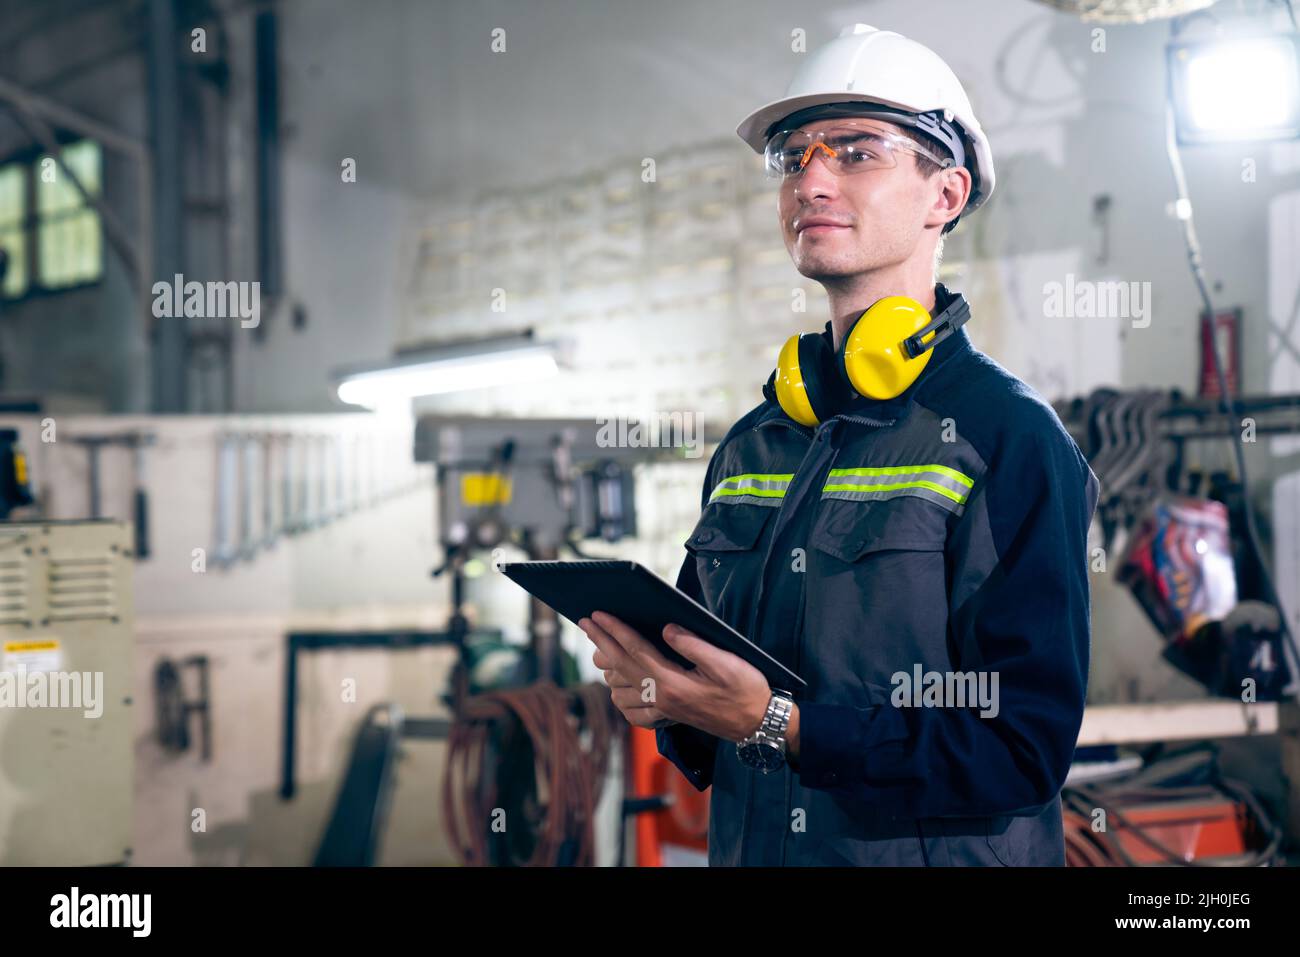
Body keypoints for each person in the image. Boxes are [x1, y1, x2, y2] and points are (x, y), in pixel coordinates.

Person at [579, 23, 1099, 866]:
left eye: (857, 152)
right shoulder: (755, 444)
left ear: (946, 195)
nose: (811, 178)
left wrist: (781, 725)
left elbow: (1023, 752)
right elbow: (712, 712)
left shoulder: (1009, 439)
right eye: (793, 158)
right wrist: (668, 700)